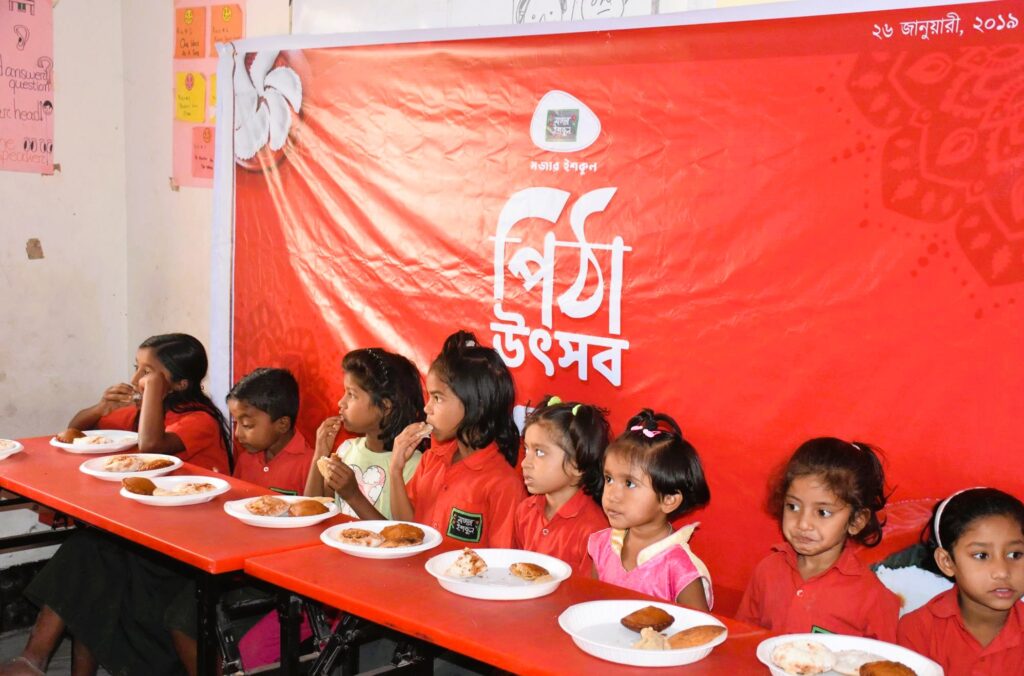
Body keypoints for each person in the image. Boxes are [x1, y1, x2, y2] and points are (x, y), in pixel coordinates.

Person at [3, 333, 230, 676]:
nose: (137, 379)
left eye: (147, 372)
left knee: (95, 558)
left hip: (191, 544)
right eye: (136, 368)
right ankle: (31, 661)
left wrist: (151, 393)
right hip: (149, 532)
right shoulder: (147, 412)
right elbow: (74, 431)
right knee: (89, 549)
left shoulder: (200, 420)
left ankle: (34, 661)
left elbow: (151, 446)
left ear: (180, 383)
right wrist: (101, 408)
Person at [166, 367, 314, 675]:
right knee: (179, 617)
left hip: (279, 580)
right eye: (235, 423)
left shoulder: (308, 464)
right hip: (239, 569)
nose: (237, 434)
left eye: (247, 425)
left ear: (282, 424)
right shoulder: (248, 457)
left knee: (227, 640)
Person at [736, 438, 899, 639]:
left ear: (856, 521)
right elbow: (742, 640)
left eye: (823, 512)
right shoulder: (767, 571)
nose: (803, 523)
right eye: (793, 507)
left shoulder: (873, 599)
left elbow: (885, 659)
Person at [388, 330, 525, 546]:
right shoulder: (431, 460)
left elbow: (502, 559)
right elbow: (409, 531)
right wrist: (395, 470)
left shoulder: (503, 484)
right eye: (429, 397)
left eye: (437, 398)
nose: (427, 408)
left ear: (476, 405)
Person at [588, 409, 713, 610]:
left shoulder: (679, 567)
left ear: (669, 500)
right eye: (609, 479)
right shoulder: (603, 545)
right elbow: (590, 605)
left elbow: (701, 628)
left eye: (629, 483)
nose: (612, 494)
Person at [897, 487, 1024, 674]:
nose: (1002, 572)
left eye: (1015, 554)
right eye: (981, 555)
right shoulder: (918, 630)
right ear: (947, 562)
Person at [304, 348, 425, 519]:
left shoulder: (413, 465)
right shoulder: (346, 450)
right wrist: (320, 454)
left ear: (385, 407)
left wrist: (353, 496)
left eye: (351, 395)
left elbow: (402, 533)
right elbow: (313, 512)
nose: (341, 402)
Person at [513, 395, 609, 575]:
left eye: (539, 452)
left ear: (577, 465)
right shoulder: (525, 511)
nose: (525, 463)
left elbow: (590, 590)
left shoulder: (594, 531)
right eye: (526, 449)